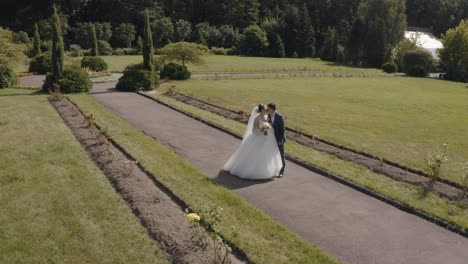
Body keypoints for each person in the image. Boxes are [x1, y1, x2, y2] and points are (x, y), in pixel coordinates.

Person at [223, 104, 283, 180]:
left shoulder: (267, 116)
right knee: (257, 154)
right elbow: (254, 130)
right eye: (265, 109)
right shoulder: (257, 118)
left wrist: (267, 127)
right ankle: (255, 171)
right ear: (261, 110)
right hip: (259, 138)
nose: (267, 110)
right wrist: (262, 130)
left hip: (268, 138)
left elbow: (270, 124)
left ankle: (270, 170)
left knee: (267, 153)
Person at [267, 103, 286, 177]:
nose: (267, 109)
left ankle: (282, 171)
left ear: (272, 109)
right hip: (271, 138)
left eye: (269, 108)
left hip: (279, 139)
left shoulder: (279, 116)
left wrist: (280, 139)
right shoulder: (267, 115)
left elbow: (282, 129)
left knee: (281, 154)